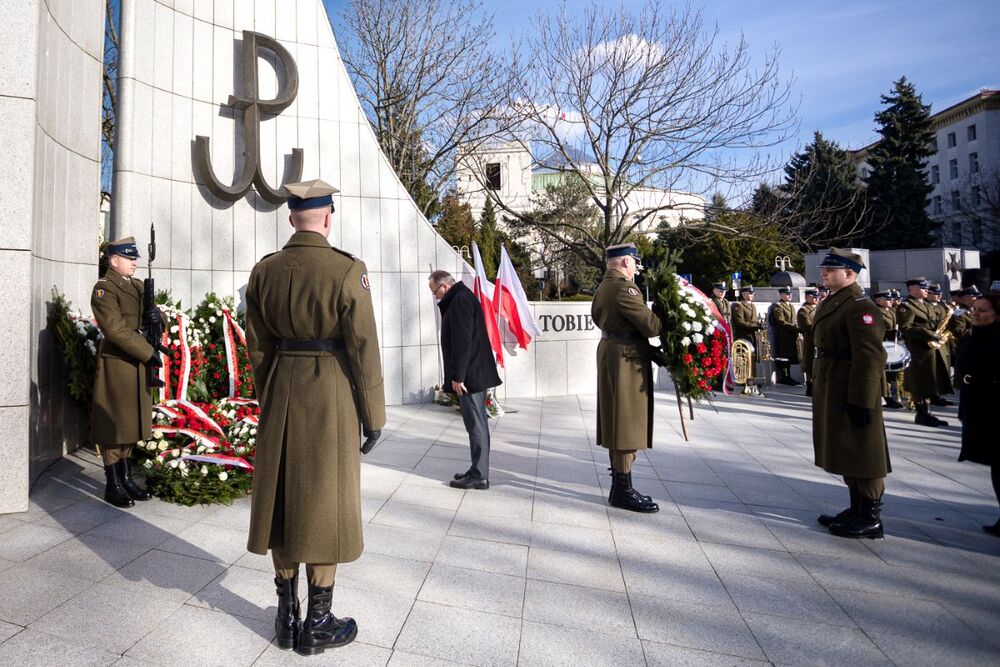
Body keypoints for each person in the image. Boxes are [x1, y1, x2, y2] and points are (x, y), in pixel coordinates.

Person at [245, 179, 386, 656]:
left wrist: (270, 396)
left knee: (283, 501)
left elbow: (258, 348)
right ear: (328, 218)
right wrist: (373, 415)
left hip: (282, 386)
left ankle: (287, 617)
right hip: (331, 394)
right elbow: (363, 348)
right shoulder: (347, 270)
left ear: (291, 219)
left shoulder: (264, 271)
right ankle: (319, 622)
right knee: (327, 500)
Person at [811, 249, 890, 539]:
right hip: (834, 384)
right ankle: (856, 508)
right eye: (824, 268)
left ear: (850, 273)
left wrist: (863, 400)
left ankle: (870, 517)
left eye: (831, 269)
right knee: (846, 448)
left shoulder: (860, 306)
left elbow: (869, 358)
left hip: (851, 387)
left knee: (863, 451)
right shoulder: (837, 300)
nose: (824, 272)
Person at [592, 243, 660, 513]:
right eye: (634, 262)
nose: (636, 267)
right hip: (625, 358)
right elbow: (651, 326)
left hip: (618, 352)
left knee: (618, 419)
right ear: (624, 262)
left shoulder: (605, 286)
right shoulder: (623, 288)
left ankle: (620, 486)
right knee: (625, 422)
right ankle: (623, 490)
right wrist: (666, 309)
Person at [90, 237, 158, 508]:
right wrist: (147, 352)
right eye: (129, 258)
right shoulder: (104, 289)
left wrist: (157, 318)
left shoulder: (138, 285)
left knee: (131, 423)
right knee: (114, 424)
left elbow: (154, 313)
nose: (134, 262)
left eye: (135, 258)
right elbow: (115, 329)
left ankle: (126, 478)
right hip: (118, 363)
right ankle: (113, 484)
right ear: (114, 260)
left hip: (136, 362)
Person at [428, 270, 503, 490]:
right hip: (473, 372)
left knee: (476, 425)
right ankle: (477, 469)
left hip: (470, 375)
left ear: (444, 286)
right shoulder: (462, 297)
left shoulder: (459, 300)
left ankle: (479, 475)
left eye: (435, 291)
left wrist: (458, 376)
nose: (436, 296)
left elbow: (463, 342)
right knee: (477, 424)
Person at [955, 294, 1000, 536]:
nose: (975, 313)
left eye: (983, 310)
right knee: (996, 465)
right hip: (979, 407)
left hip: (994, 408)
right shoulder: (975, 336)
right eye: (975, 309)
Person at [896, 278, 949, 427]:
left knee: (929, 382)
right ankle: (922, 414)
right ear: (912, 289)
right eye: (922, 288)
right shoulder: (906, 306)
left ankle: (927, 413)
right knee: (919, 382)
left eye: (926, 288)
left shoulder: (926, 304)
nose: (926, 290)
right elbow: (906, 327)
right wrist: (928, 334)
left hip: (929, 349)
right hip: (918, 351)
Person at [926, 282, 954, 407]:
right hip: (931, 341)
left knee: (942, 370)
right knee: (932, 370)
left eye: (940, 294)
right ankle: (932, 395)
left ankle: (939, 394)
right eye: (936, 294)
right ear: (928, 294)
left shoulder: (941, 306)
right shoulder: (926, 306)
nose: (939, 296)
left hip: (941, 341)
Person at [874, 290, 903, 410]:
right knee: (884, 372)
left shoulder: (891, 311)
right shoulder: (876, 312)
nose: (891, 301)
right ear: (878, 300)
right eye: (887, 299)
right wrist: (889, 333)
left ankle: (889, 394)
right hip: (882, 344)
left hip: (891, 345)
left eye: (891, 299)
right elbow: (876, 329)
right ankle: (885, 396)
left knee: (890, 372)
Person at [768, 286, 801, 386]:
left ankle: (788, 376)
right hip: (783, 336)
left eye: (790, 294)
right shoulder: (778, 306)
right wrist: (796, 327)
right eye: (787, 294)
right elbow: (781, 322)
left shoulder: (791, 306)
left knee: (789, 357)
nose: (789, 296)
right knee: (784, 357)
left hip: (791, 335)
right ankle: (784, 377)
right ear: (781, 295)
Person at [797, 288, 818, 396]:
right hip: (810, 339)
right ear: (806, 297)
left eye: (816, 297)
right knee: (810, 362)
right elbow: (806, 325)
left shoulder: (819, 307)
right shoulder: (803, 310)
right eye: (813, 297)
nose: (816, 299)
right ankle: (810, 386)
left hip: (819, 339)